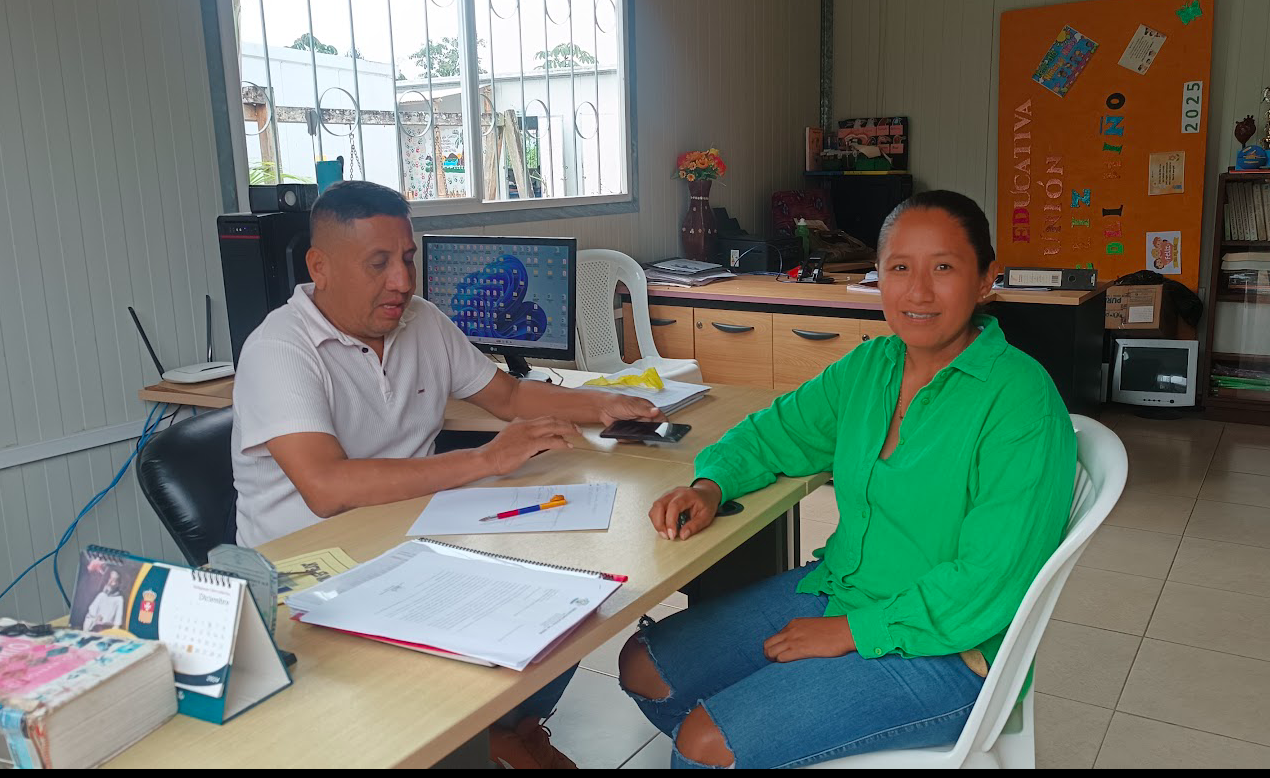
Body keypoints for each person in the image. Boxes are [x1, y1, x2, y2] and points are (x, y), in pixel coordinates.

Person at [619, 190, 1077, 769]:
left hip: (953, 649)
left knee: (705, 745)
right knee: (644, 667)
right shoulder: (871, 366)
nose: (918, 291)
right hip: (841, 587)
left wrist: (853, 632)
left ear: (986, 279)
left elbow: (990, 578)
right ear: (877, 277)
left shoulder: (1020, 400)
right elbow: (773, 433)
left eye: (944, 267)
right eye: (899, 268)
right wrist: (711, 486)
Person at [231, 180, 662, 769]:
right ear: (319, 267)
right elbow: (326, 488)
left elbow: (508, 396)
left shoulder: (421, 322)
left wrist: (602, 403)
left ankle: (506, 734)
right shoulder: (280, 349)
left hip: (413, 543)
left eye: (407, 259)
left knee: (570, 595)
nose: (402, 282)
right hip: (314, 576)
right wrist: (485, 460)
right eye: (378, 263)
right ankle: (491, 742)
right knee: (497, 622)